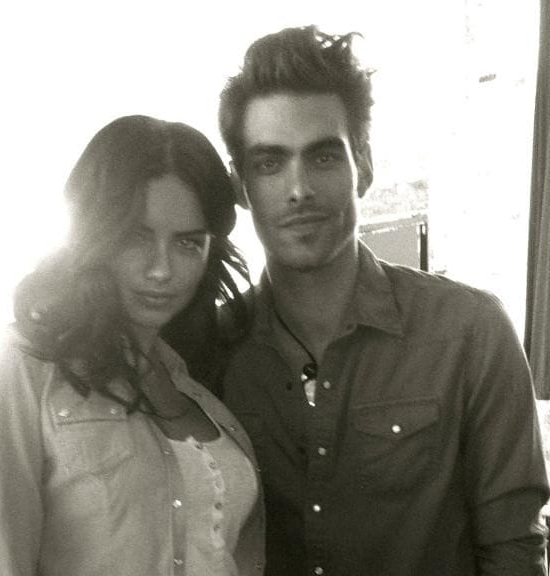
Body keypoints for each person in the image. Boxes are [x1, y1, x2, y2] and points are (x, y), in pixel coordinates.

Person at [217, 25, 549, 575]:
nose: (299, 190)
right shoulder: (212, 349)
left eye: (324, 157)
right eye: (270, 163)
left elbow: (513, 548)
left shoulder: (470, 333)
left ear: (364, 167)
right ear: (240, 186)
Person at [0, 115, 265, 576]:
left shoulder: (194, 383)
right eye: (137, 236)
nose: (161, 270)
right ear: (94, 233)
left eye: (187, 243)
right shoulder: (16, 370)